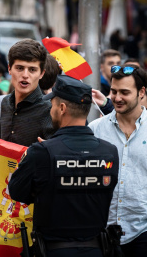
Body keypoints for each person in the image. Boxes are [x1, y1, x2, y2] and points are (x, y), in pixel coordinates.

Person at [8, 75, 119, 257]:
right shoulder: (110, 152)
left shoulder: (41, 152)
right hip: (96, 250)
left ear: (62, 108)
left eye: (52, 105)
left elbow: (17, 192)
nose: (50, 110)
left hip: (53, 250)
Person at [88, 65, 147, 256]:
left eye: (124, 92)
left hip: (143, 232)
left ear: (142, 92)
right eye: (113, 91)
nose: (117, 97)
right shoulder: (96, 129)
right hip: (101, 231)